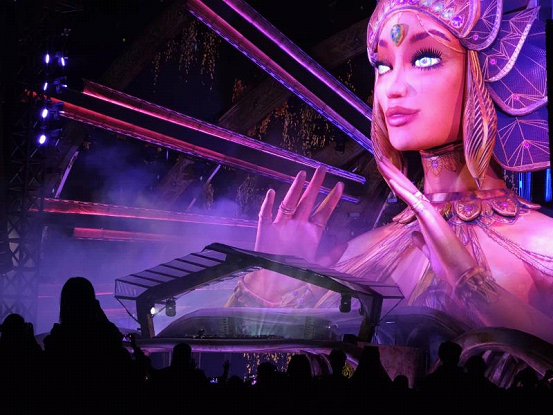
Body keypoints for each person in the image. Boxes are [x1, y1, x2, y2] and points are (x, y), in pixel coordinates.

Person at [226, 0, 553, 344]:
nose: (393, 87)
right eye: (383, 66)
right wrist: (271, 278)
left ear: (484, 68)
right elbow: (242, 353)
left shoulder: (542, 244)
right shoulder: (358, 254)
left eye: (424, 59)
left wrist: (469, 282)